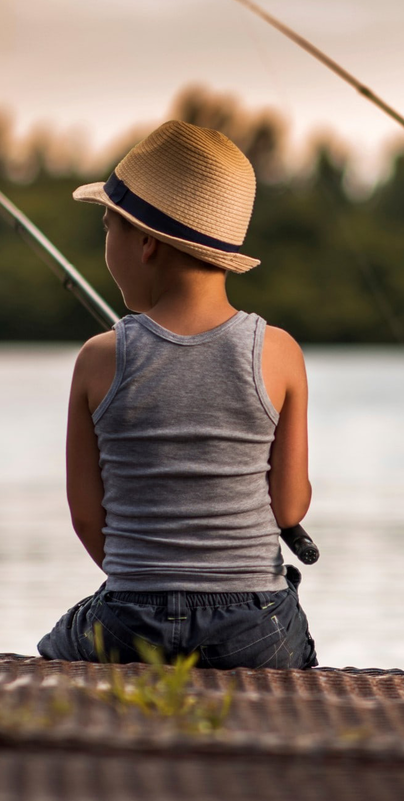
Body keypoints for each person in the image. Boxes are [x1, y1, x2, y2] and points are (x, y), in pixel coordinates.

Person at [38, 120, 317, 669]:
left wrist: (147, 588)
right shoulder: (279, 352)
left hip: (129, 619)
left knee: (57, 647)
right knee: (291, 641)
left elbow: (87, 517)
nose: (105, 244)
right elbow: (289, 506)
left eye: (107, 227)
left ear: (144, 243)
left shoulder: (98, 358)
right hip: (254, 623)